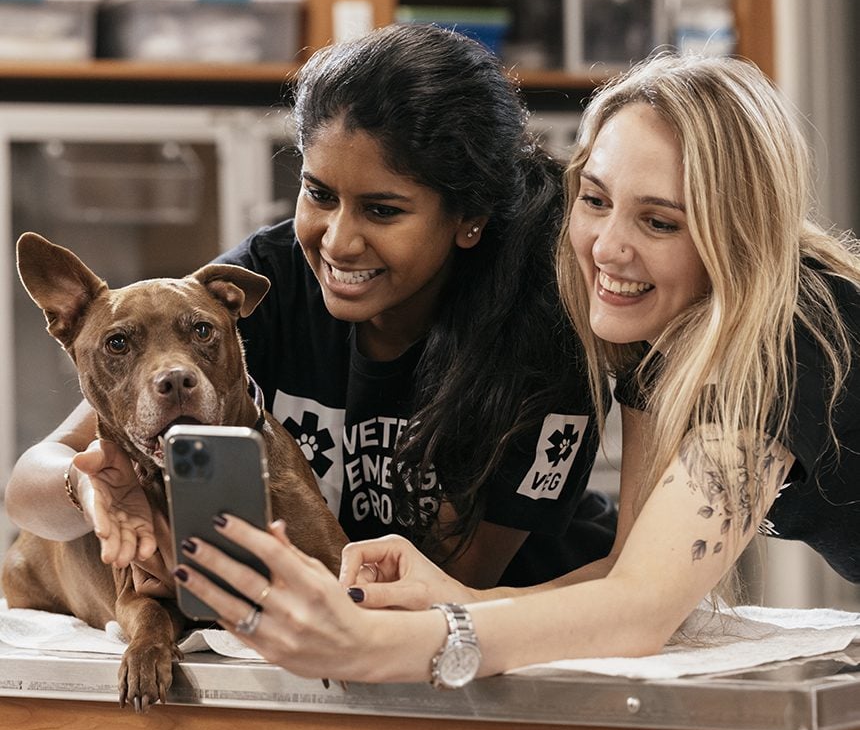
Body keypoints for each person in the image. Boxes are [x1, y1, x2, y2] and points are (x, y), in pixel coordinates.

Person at [170, 52, 860, 686]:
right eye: (594, 201)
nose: (607, 248)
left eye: (660, 223)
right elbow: (628, 572)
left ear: (735, 230)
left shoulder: (794, 330)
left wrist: (377, 643)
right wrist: (462, 603)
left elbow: (642, 612)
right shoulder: (664, 329)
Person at [5, 23, 614, 591]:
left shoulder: (539, 334)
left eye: (382, 210)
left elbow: (453, 588)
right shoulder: (263, 282)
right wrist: (89, 489)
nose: (338, 241)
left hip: (520, 629)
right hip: (333, 617)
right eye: (318, 194)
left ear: (469, 219)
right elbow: (31, 483)